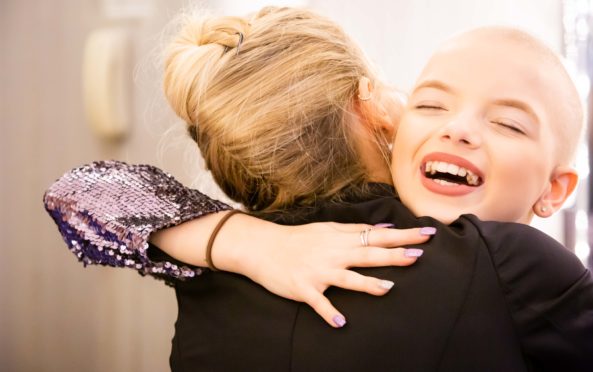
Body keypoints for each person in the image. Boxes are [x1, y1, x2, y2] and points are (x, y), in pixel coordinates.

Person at [44, 6, 593, 371]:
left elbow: (80, 189)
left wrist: (249, 242)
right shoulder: (505, 264)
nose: (456, 127)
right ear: (371, 108)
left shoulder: (204, 271)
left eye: (508, 122)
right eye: (429, 102)